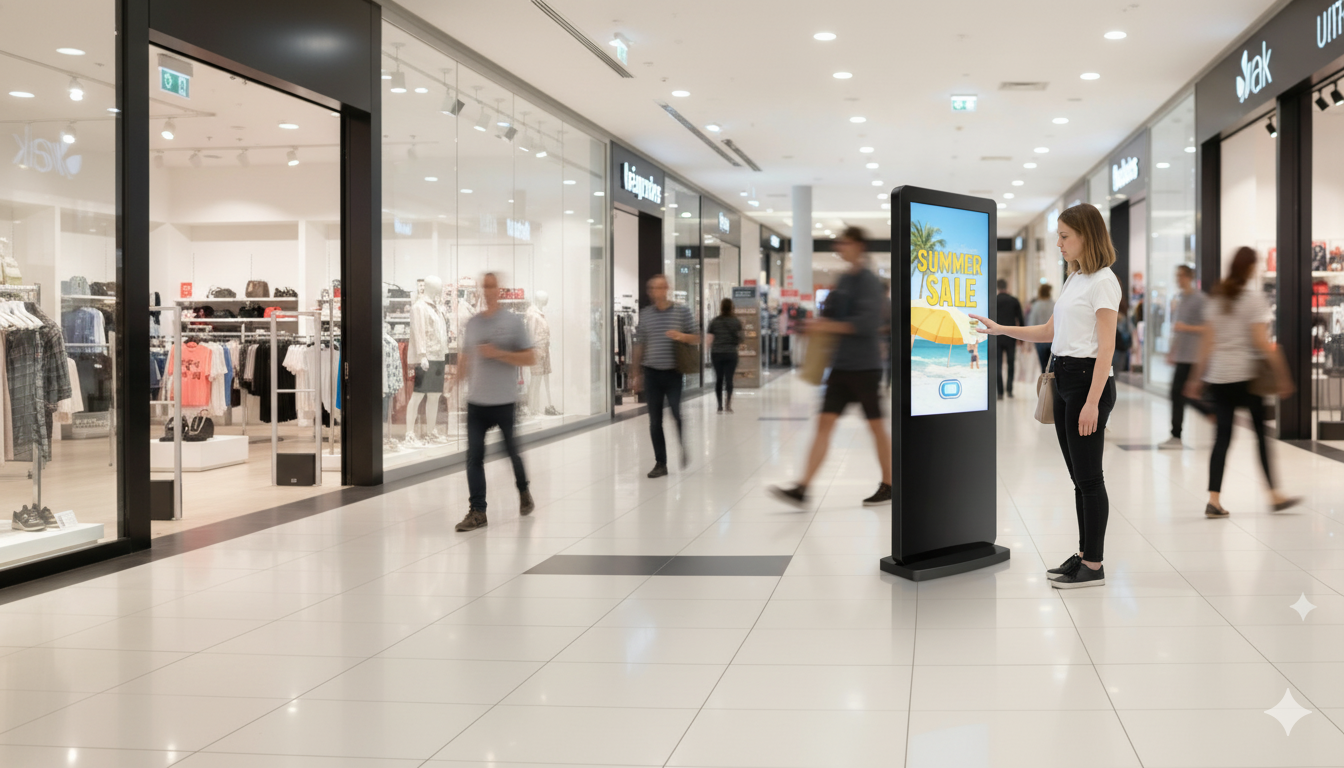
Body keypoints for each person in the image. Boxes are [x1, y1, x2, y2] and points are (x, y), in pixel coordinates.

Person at [972, 204, 1120, 589]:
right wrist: (1000, 328)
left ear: (1087, 236)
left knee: (1090, 479)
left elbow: (1106, 349)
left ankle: (1094, 564)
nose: (1058, 243)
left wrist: (1092, 401)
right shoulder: (1076, 279)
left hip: (1089, 383)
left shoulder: (1104, 281)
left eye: (1065, 236)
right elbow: (1050, 332)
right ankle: (1086, 555)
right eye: (1057, 235)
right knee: (1079, 478)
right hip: (1066, 379)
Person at [770, 226, 892, 508]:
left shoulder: (869, 282)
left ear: (859, 246)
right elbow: (832, 315)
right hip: (840, 367)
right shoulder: (844, 280)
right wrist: (815, 324)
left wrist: (827, 324)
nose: (840, 248)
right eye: (839, 243)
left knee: (875, 426)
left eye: (845, 243)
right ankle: (803, 487)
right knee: (824, 423)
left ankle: (889, 483)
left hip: (864, 368)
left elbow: (867, 323)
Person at [1184, 246, 1300, 518]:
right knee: (1260, 436)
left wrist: (1195, 379)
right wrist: (1282, 375)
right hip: (1247, 378)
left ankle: (1214, 500)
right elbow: (1261, 342)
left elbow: (1207, 343)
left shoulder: (1217, 297)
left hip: (1220, 378)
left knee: (1222, 439)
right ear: (1250, 269)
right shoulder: (1252, 299)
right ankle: (1274, 494)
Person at [452, 272, 536, 532]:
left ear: (499, 290)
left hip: (504, 401)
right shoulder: (473, 323)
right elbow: (466, 356)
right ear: (480, 290)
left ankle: (523, 490)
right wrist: (457, 380)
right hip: (477, 403)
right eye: (484, 286)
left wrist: (498, 353)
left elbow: (530, 358)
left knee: (512, 452)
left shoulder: (513, 322)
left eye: (492, 286)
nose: (488, 290)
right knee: (474, 457)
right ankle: (478, 511)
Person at [632, 274, 698, 478]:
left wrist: (681, 336)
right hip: (652, 373)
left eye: (660, 288)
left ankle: (681, 445)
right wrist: (635, 373)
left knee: (677, 413)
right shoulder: (646, 314)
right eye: (652, 288)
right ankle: (661, 463)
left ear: (667, 288)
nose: (656, 292)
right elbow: (640, 344)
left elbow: (697, 337)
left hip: (673, 373)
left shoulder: (681, 312)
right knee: (655, 421)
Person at [1161, 264, 1214, 448]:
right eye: (1177, 275)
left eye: (1181, 275)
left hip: (1194, 357)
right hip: (1182, 356)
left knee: (1180, 395)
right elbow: (1178, 329)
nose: (1178, 279)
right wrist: (1172, 351)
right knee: (1180, 395)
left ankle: (1177, 435)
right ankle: (1209, 413)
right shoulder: (1181, 298)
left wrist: (1186, 328)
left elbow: (1209, 328)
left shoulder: (1200, 299)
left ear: (1189, 277)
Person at [706, 297, 744, 413]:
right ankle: (728, 405)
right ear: (732, 308)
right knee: (729, 379)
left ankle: (719, 406)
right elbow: (741, 339)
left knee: (718, 379)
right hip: (731, 353)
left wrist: (709, 349)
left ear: (721, 308)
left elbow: (709, 339)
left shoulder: (714, 321)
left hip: (717, 353)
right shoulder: (736, 322)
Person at [995, 278, 1024, 398]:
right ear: (1006, 286)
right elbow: (1020, 319)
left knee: (998, 364)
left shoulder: (993, 300)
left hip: (996, 337)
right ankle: (1009, 390)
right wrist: (1021, 338)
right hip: (1010, 336)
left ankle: (1000, 392)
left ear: (997, 287)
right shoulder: (1014, 300)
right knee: (1011, 363)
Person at [1027, 284, 1054, 373]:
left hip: (1040, 339)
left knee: (1043, 365)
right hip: (1053, 339)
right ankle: (1053, 386)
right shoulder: (1054, 304)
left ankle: (1046, 385)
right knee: (1052, 367)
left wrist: (1029, 343)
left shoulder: (1036, 306)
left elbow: (1032, 323)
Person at [1113, 296, 1133, 373]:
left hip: (1116, 347)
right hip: (1123, 348)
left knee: (1114, 371)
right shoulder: (1124, 313)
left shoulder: (1118, 316)